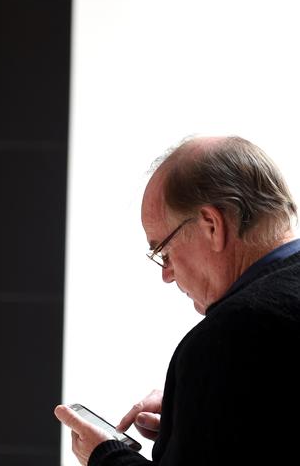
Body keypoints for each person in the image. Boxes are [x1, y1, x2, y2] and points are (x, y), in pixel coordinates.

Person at [55, 135, 300, 465]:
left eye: (163, 251)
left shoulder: (227, 340)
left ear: (212, 225)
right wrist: (194, 415)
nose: (166, 274)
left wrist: (105, 456)